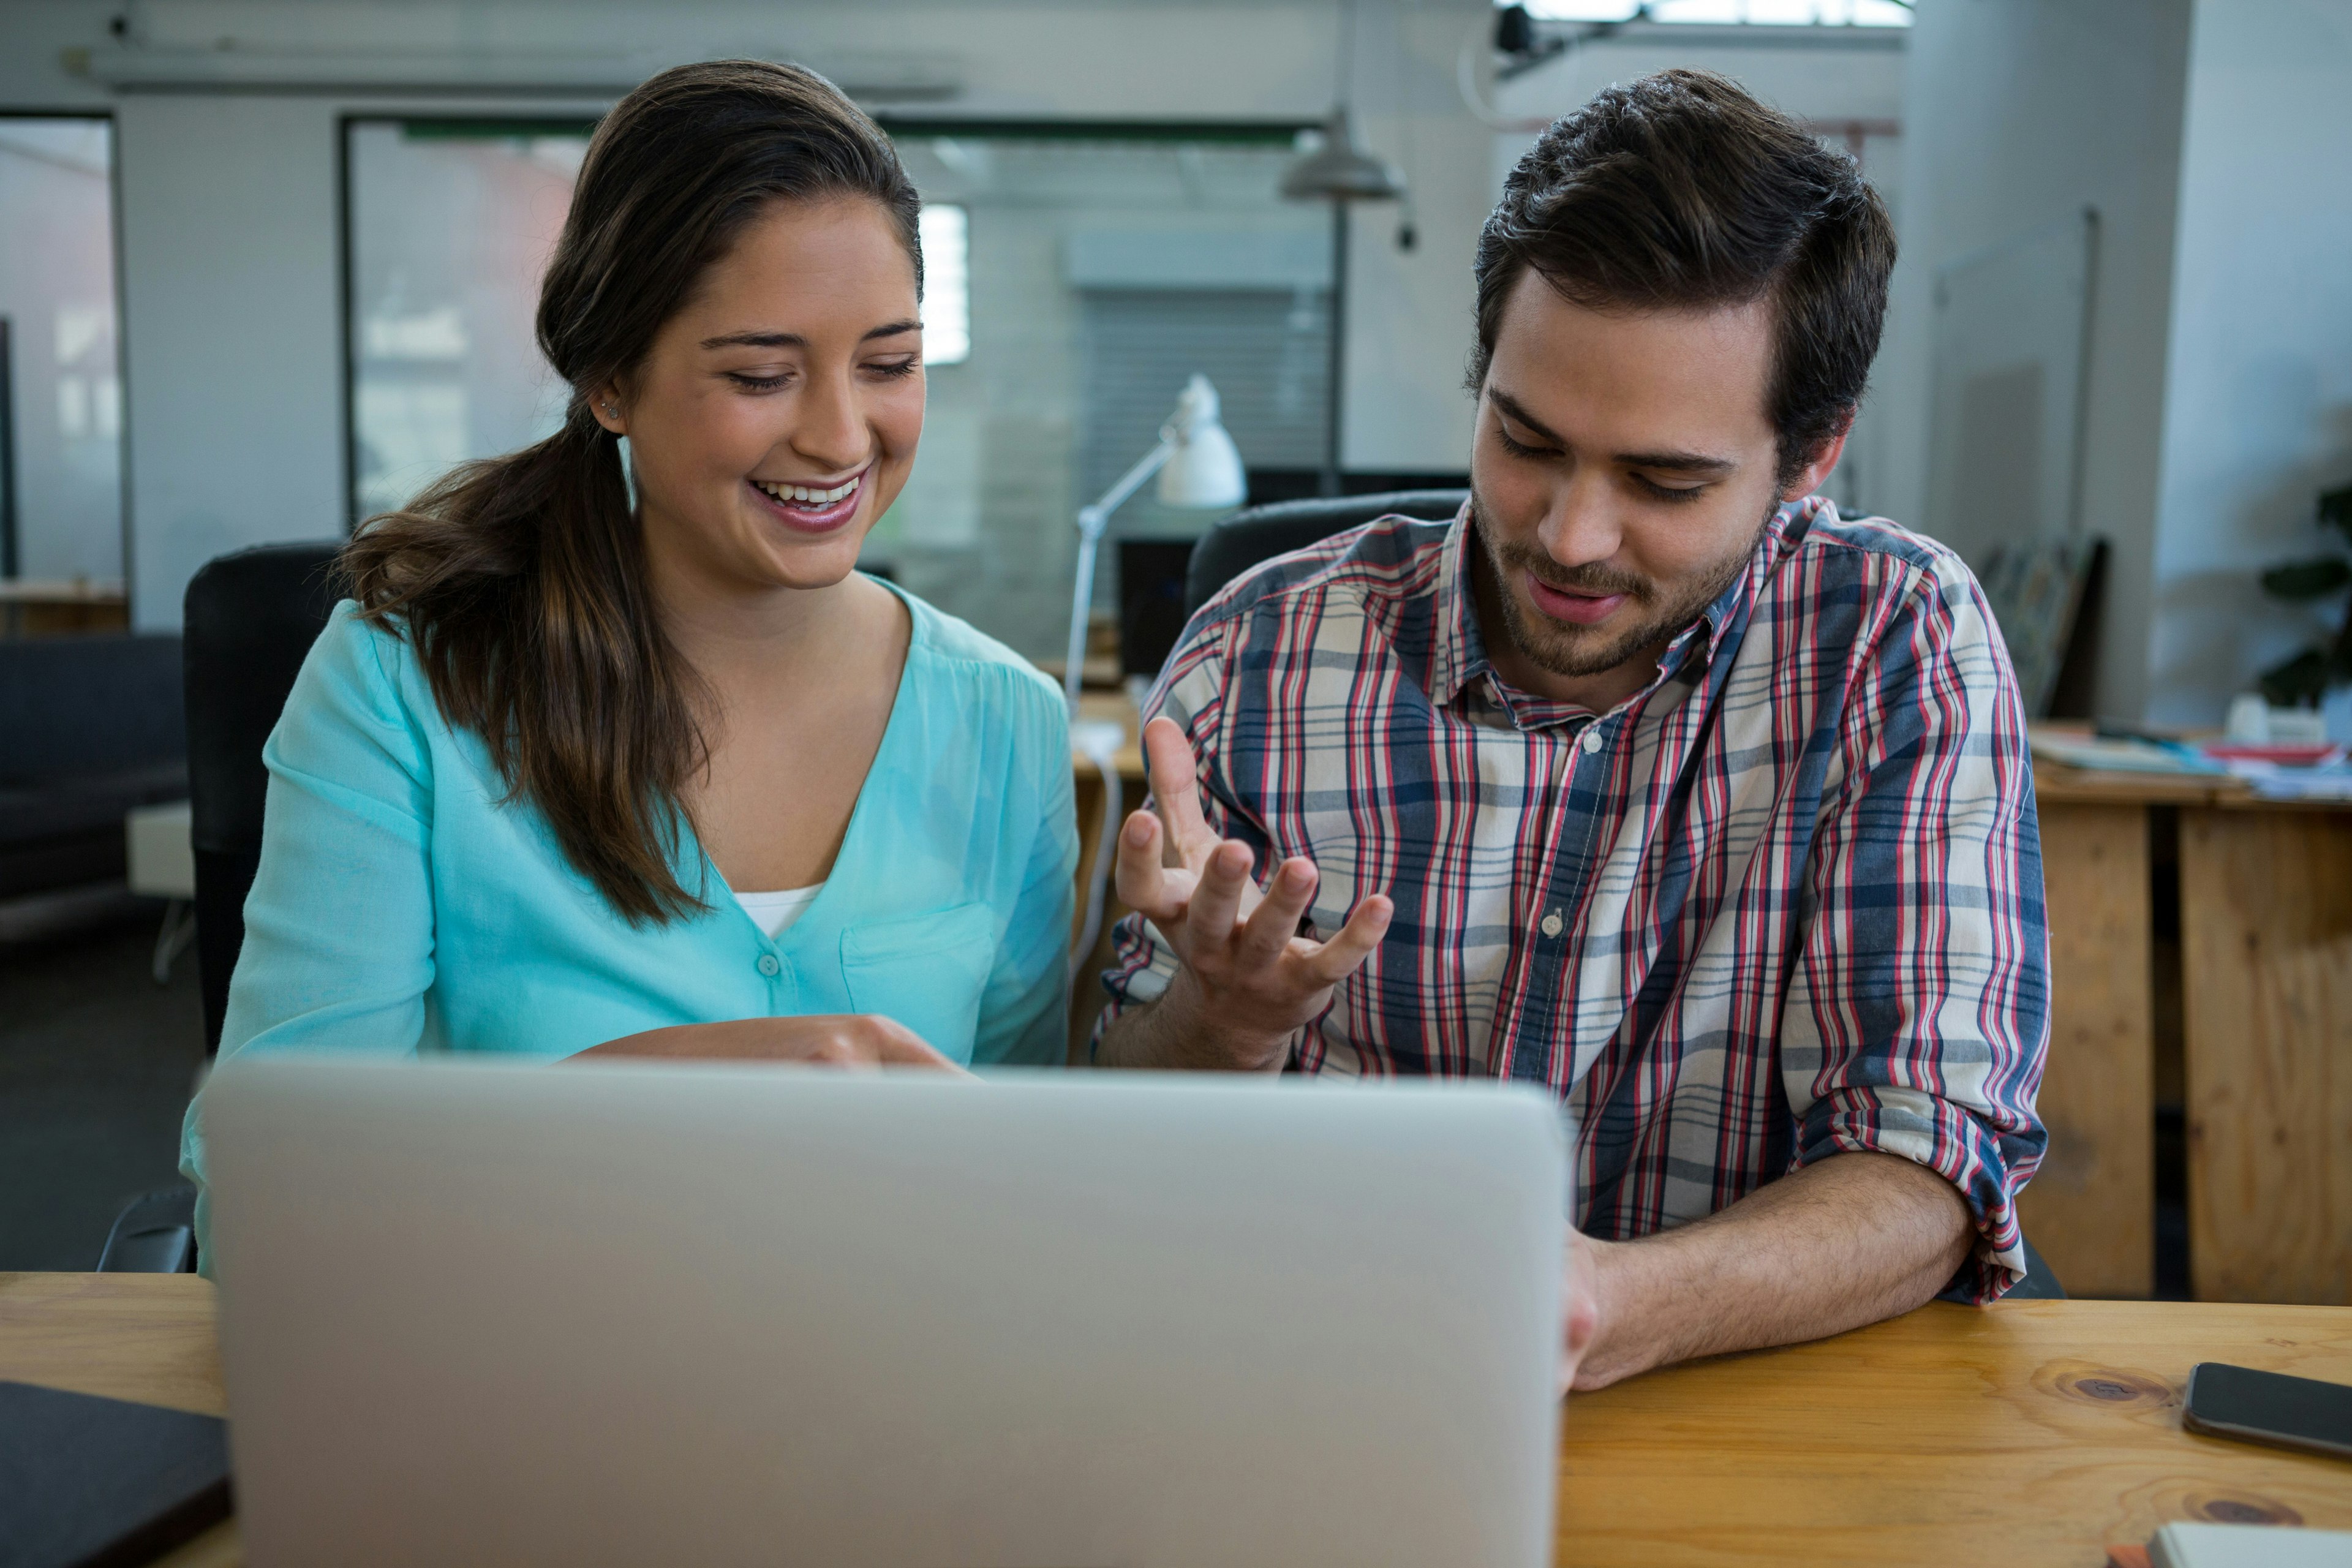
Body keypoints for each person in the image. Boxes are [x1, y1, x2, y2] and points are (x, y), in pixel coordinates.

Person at [1094, 70, 2048, 1391]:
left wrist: (1611, 1299)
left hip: (1744, 1408)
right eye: (1527, 439)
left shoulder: (1898, 643)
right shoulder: (1258, 654)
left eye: (1666, 481)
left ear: (1813, 451)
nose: (1570, 536)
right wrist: (1223, 1020)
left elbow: (1931, 1155)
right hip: (1312, 1383)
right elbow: (1108, 1136)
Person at [181, 61, 1077, 1246]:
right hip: (521, 1389)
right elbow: (269, 1182)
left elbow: (1024, 1179)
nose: (840, 434)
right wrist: (669, 1097)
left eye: (890, 363)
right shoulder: (402, 686)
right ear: (610, 378)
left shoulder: (1007, 719)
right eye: (760, 375)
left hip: (892, 1394)